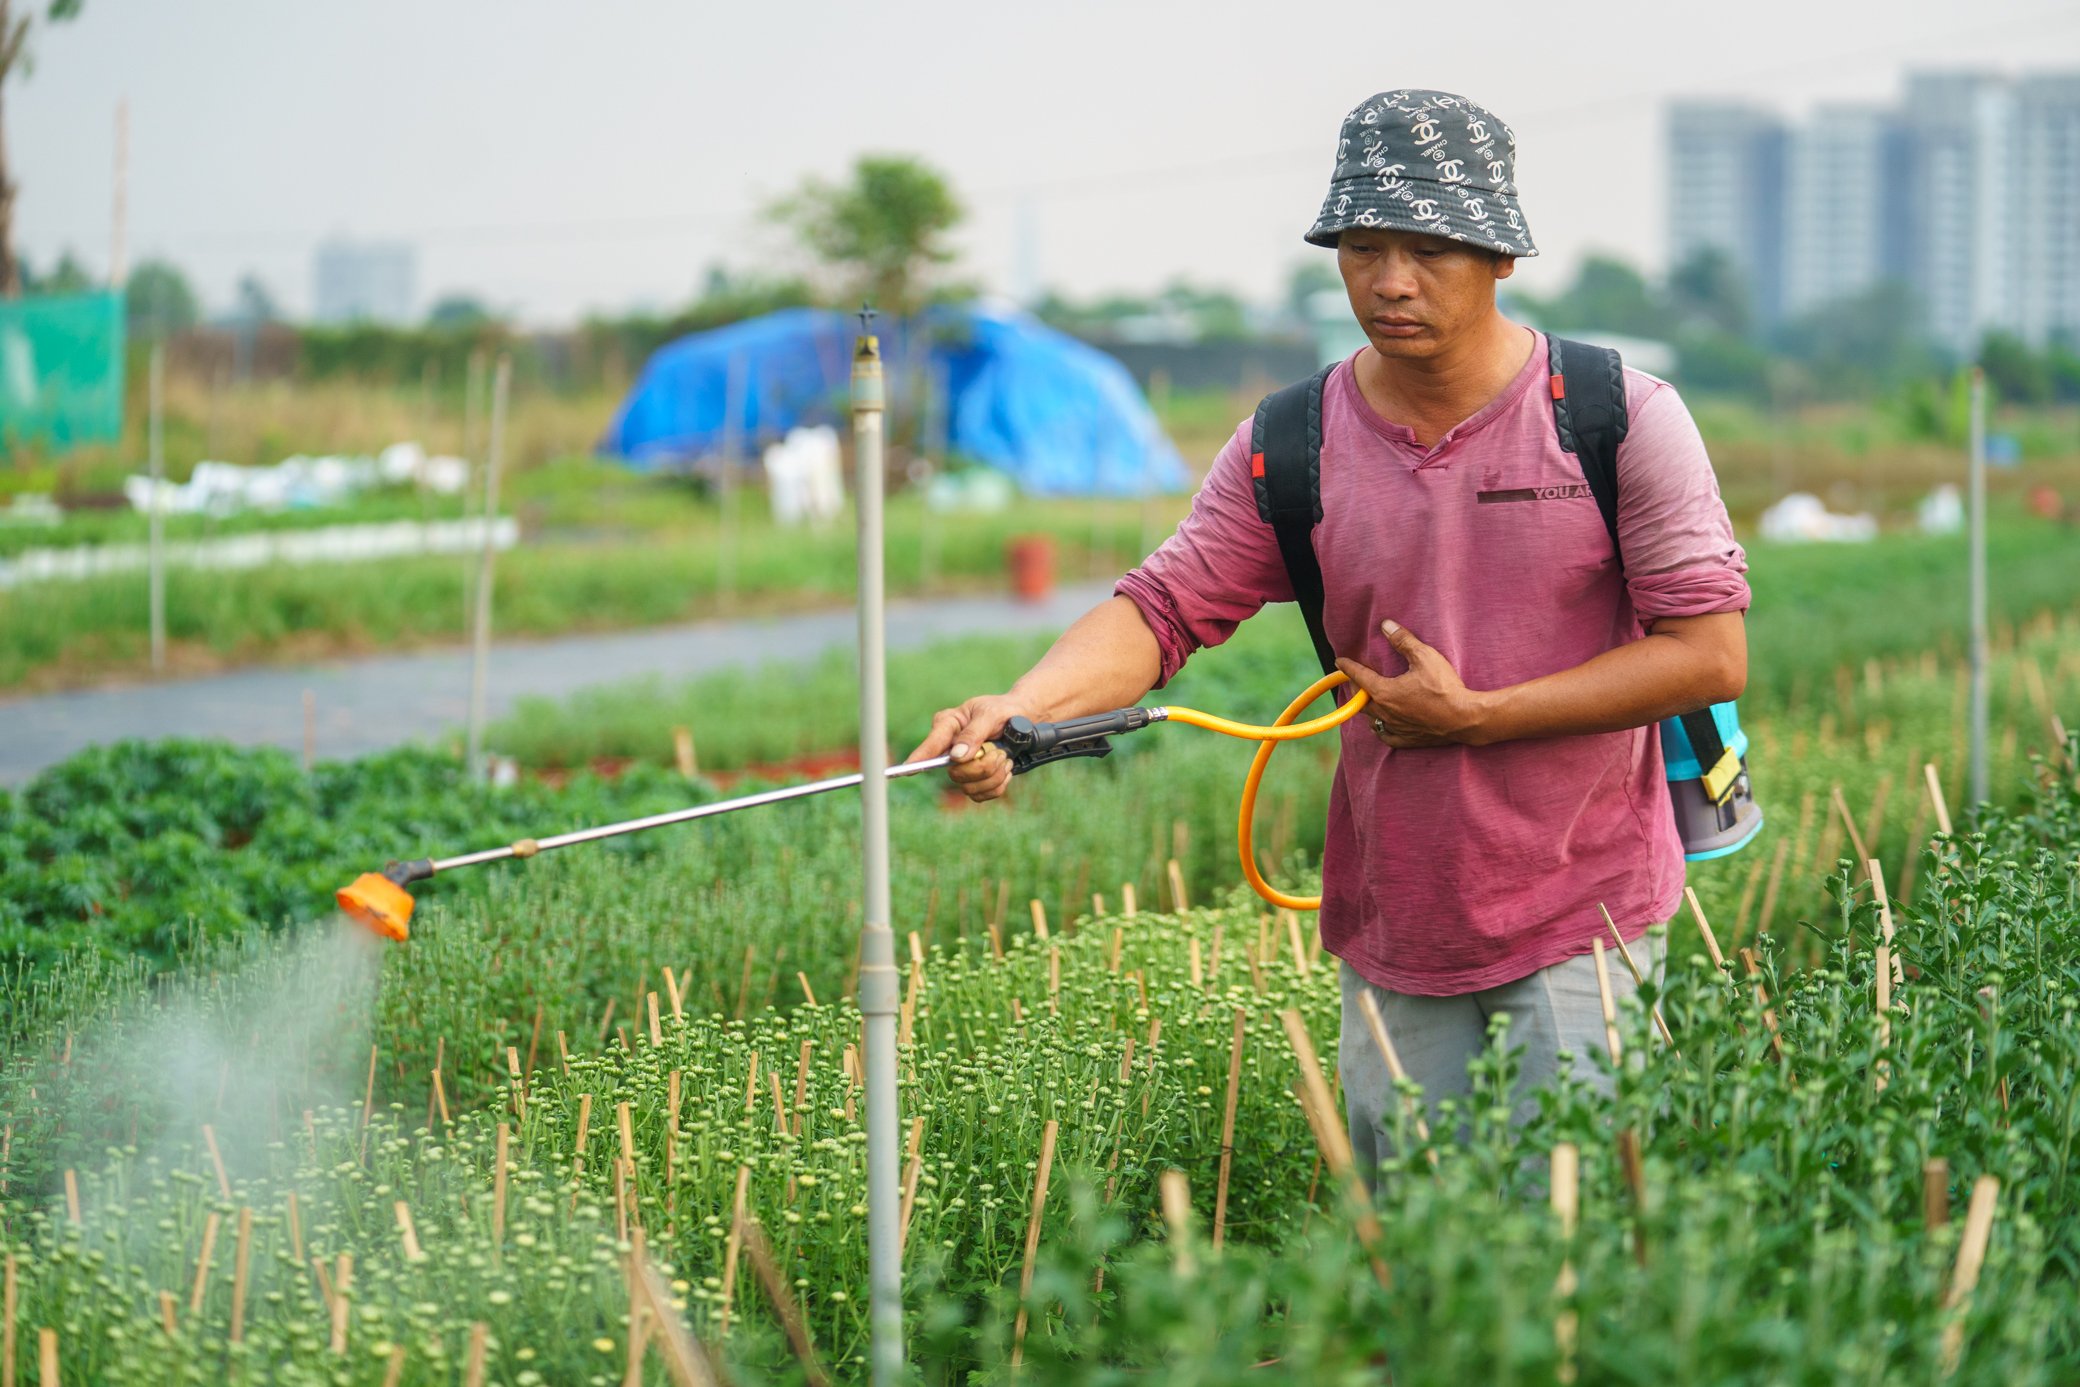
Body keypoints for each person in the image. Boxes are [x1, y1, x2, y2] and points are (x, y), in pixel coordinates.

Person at [906, 89, 1749, 1174]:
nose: (1390, 281)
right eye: (1362, 247)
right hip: (1396, 927)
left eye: (1427, 249)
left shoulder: (1613, 416)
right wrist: (1023, 706)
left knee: (1571, 1259)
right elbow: (1164, 607)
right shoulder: (1290, 441)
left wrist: (1480, 717)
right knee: (1413, 1262)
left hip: (1583, 917)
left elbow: (1708, 652)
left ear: (1498, 255)